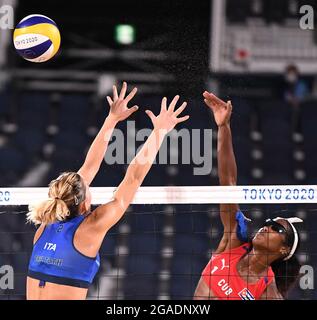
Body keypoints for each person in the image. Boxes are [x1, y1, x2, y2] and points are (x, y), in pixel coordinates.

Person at [26, 82, 189, 300]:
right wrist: (159, 131)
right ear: (83, 203)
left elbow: (88, 168)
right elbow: (133, 178)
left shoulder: (47, 224)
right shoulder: (90, 228)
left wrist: (111, 120)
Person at [194, 91, 302, 300]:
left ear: (283, 250)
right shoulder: (233, 241)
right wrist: (224, 127)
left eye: (277, 228)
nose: (267, 226)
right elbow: (228, 182)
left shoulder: (267, 292)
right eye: (270, 222)